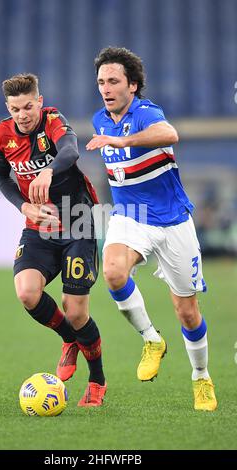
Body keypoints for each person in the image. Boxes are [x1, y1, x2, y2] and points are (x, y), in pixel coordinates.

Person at [86, 47, 217, 411]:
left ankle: (201, 377)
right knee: (112, 272)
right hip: (131, 215)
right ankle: (151, 339)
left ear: (133, 84)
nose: (106, 88)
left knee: (187, 312)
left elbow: (170, 134)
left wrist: (123, 140)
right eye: (101, 82)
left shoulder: (146, 113)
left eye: (113, 81)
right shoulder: (100, 119)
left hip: (174, 220)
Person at [0, 73, 106, 407]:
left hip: (78, 221)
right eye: (15, 109)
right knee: (26, 292)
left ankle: (97, 379)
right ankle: (68, 339)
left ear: (39, 101)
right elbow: (2, 179)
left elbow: (70, 149)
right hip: (38, 225)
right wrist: (24, 205)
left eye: (28, 106)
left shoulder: (53, 121)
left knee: (76, 310)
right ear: (7, 108)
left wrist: (48, 169)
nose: (23, 115)